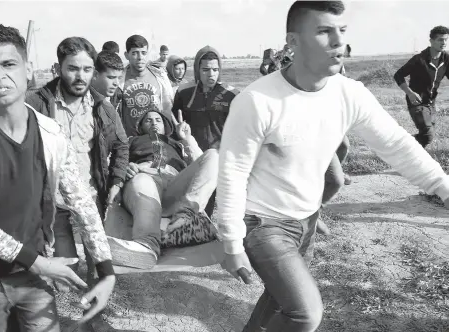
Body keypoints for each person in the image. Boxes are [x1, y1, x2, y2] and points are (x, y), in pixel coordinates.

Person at [216, 2, 449, 332]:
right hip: (262, 222)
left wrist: (443, 185)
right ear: (293, 43)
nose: (338, 41)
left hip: (307, 220)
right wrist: (231, 241)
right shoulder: (257, 102)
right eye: (324, 31)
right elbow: (232, 172)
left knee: (279, 298)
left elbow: (396, 144)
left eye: (341, 31)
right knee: (305, 314)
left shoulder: (350, 94)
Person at [0, 22, 116, 331]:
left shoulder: (50, 133)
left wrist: (106, 271)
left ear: (28, 69)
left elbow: (81, 200)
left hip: (33, 275)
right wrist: (39, 263)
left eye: (8, 63)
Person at [26, 37, 129, 284]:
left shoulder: (102, 107)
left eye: (87, 69)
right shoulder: (35, 104)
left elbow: (122, 144)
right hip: (53, 202)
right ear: (58, 67)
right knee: (64, 267)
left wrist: (116, 181)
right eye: (72, 68)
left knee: (99, 266)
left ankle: (92, 314)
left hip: (92, 198)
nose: (80, 76)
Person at [119, 107, 219, 269]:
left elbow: (204, 164)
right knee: (142, 182)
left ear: (166, 126)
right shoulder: (131, 141)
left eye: (158, 120)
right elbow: (115, 160)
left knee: (213, 155)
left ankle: (184, 218)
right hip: (144, 176)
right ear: (141, 127)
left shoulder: (178, 144)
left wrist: (187, 138)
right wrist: (124, 167)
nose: (153, 123)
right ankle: (147, 245)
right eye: (148, 120)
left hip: (175, 184)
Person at [171, 46, 239, 217]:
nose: (211, 74)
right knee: (198, 203)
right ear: (197, 70)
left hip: (222, 158)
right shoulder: (184, 92)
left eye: (215, 69)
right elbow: (175, 124)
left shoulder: (231, 94)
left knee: (228, 207)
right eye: (206, 69)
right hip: (194, 158)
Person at [394, 25, 449, 148]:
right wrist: (409, 92)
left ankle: (404, 149)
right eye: (440, 39)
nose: (444, 42)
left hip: (431, 103)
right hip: (417, 102)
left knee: (426, 137)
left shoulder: (446, 59)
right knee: (428, 135)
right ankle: (400, 147)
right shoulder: (419, 59)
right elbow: (398, 75)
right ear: (431, 41)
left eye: (446, 39)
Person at [121, 35, 174, 137]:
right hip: (132, 142)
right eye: (134, 53)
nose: (140, 57)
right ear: (127, 55)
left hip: (158, 138)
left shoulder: (160, 77)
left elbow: (168, 108)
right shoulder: (119, 81)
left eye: (143, 53)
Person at [92, 50, 125, 117]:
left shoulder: (119, 99)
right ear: (95, 75)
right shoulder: (81, 102)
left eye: (119, 78)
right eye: (111, 77)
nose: (116, 83)